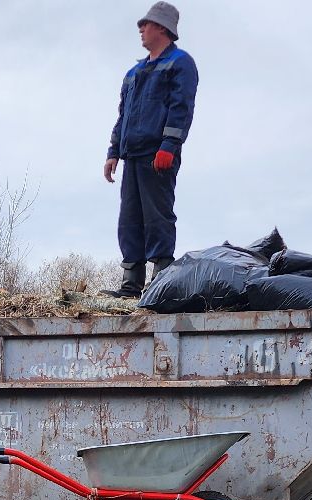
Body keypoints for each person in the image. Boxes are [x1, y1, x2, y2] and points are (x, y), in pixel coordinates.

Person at [101, 2, 198, 298]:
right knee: (129, 217)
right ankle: (131, 284)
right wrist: (113, 151)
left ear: (163, 28)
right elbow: (123, 115)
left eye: (147, 24)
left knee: (158, 216)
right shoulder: (133, 72)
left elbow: (181, 107)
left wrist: (169, 145)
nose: (141, 29)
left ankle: (161, 281)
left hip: (158, 155)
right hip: (132, 155)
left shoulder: (181, 63)